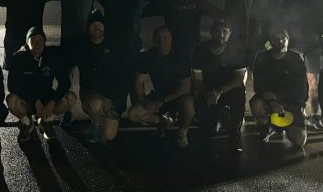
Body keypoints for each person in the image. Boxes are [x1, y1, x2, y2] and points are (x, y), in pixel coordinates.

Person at [276, 0, 323, 130]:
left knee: (313, 83)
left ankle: (314, 115)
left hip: (313, 47)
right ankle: (294, 112)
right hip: (293, 47)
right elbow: (279, 21)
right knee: (292, 81)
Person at [128, 26, 195, 148]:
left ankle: (183, 132)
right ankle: (162, 121)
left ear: (171, 39)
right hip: (159, 97)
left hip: (178, 97)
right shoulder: (149, 56)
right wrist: (144, 102)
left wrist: (161, 101)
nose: (161, 41)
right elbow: (138, 81)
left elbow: (185, 87)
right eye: (158, 38)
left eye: (165, 37)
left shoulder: (180, 57)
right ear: (154, 41)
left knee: (189, 104)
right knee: (133, 113)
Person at [6, 26, 77, 142]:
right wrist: (34, 100)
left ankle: (46, 121)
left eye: (40, 40)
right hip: (28, 101)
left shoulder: (52, 56)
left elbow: (65, 82)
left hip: (47, 100)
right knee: (11, 100)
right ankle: (27, 123)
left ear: (45, 42)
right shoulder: (18, 57)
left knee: (71, 98)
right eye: (33, 40)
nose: (37, 43)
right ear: (27, 43)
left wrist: (53, 101)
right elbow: (13, 86)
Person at [191, 19, 248, 151]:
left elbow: (239, 79)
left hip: (229, 89)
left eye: (225, 31)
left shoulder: (237, 51)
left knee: (239, 94)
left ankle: (235, 132)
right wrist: (208, 93)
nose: (221, 35)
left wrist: (220, 91)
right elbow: (198, 80)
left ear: (230, 33)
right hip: (208, 90)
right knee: (207, 131)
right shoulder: (199, 51)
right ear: (211, 32)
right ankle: (216, 118)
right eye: (217, 31)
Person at [145, 0, 223, 57]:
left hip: (192, 45)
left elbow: (212, 11)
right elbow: (148, 10)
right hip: (172, 46)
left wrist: (225, 18)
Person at [76, 11, 130, 144]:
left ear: (104, 28)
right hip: (91, 95)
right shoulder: (82, 47)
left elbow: (122, 77)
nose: (96, 28)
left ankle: (100, 121)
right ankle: (95, 123)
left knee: (109, 136)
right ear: (88, 28)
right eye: (93, 25)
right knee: (96, 102)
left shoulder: (114, 47)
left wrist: (115, 103)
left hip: (110, 98)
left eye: (99, 25)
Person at [249, 29, 308, 147]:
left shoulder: (296, 58)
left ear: (288, 40)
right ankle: (266, 127)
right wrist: (273, 102)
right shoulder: (261, 58)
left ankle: (283, 127)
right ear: (270, 41)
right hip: (268, 101)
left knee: (300, 140)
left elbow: (301, 88)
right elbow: (259, 87)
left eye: (283, 38)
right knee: (256, 104)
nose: (280, 41)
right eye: (276, 39)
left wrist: (279, 97)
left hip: (290, 102)